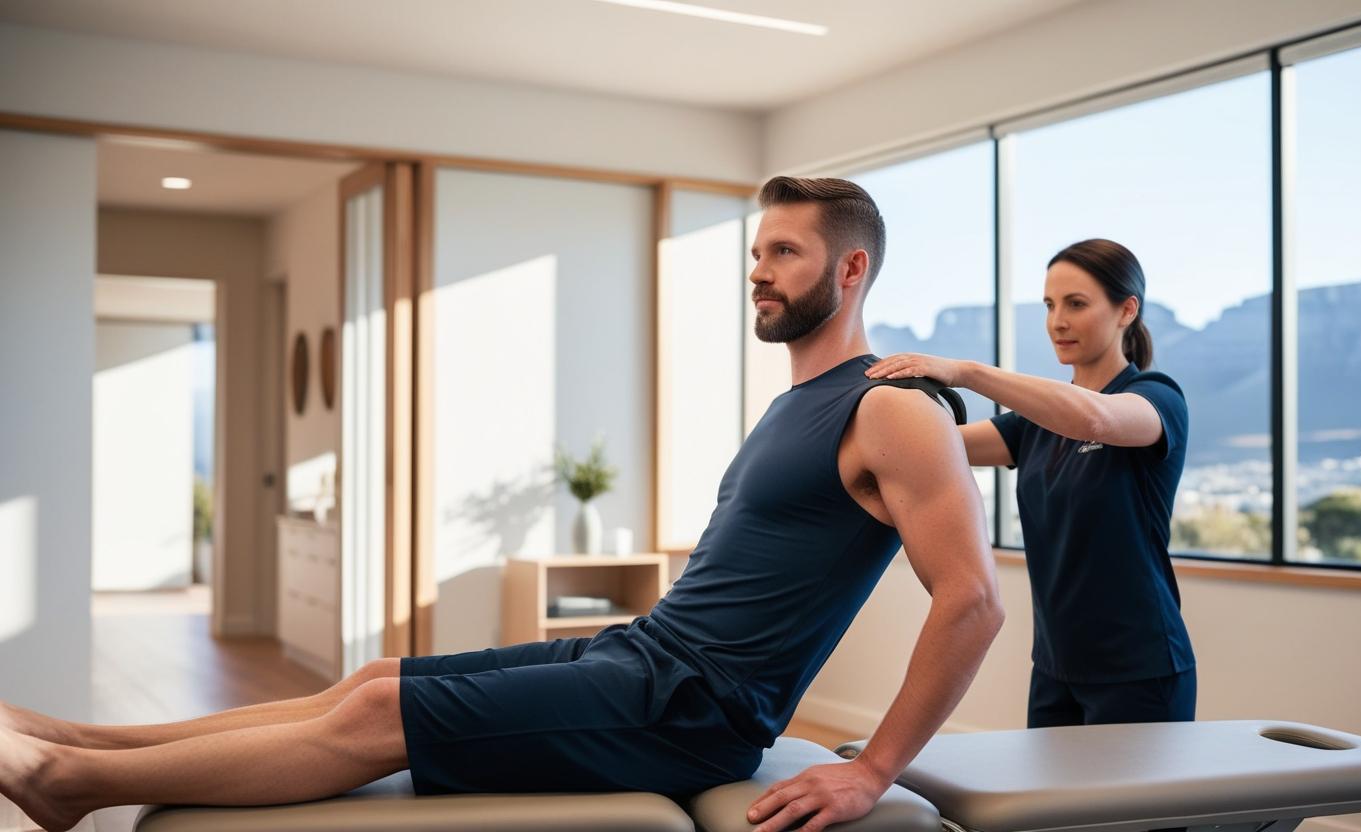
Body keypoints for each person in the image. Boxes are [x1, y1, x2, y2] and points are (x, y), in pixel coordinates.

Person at [0, 176, 1004, 832]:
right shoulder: (801, 403)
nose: (758, 271)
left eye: (783, 252)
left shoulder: (894, 408)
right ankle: (83, 741)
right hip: (640, 654)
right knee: (375, 676)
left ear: (851, 266)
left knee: (383, 713)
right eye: (756, 252)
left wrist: (871, 768)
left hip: (690, 710)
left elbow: (970, 597)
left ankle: (70, 785)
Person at [867, 238, 1196, 729]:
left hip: (1140, 669)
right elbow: (933, 449)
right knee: (1049, 807)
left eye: (1076, 304)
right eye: (1049, 305)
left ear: (1127, 310)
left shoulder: (1154, 397)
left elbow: (1097, 420)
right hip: (1055, 666)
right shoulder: (1035, 425)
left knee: (1119, 811)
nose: (1057, 321)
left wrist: (965, 372)